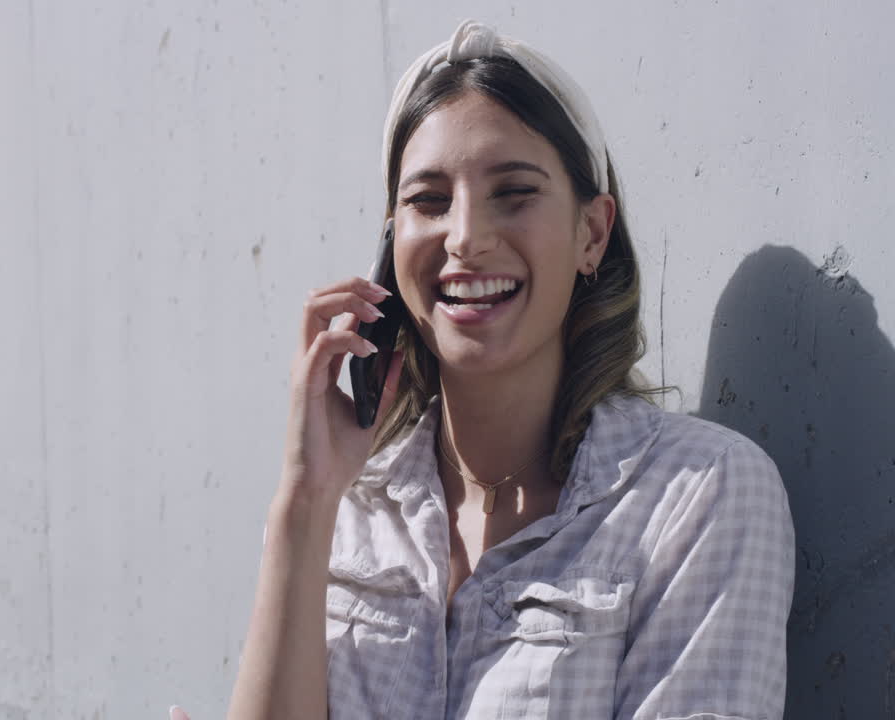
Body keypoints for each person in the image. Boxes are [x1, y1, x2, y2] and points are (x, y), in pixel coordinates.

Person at [215, 18, 796, 720]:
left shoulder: (698, 497)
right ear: (391, 249)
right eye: (428, 202)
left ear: (592, 233)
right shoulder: (348, 513)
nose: (464, 238)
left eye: (514, 193)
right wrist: (305, 497)